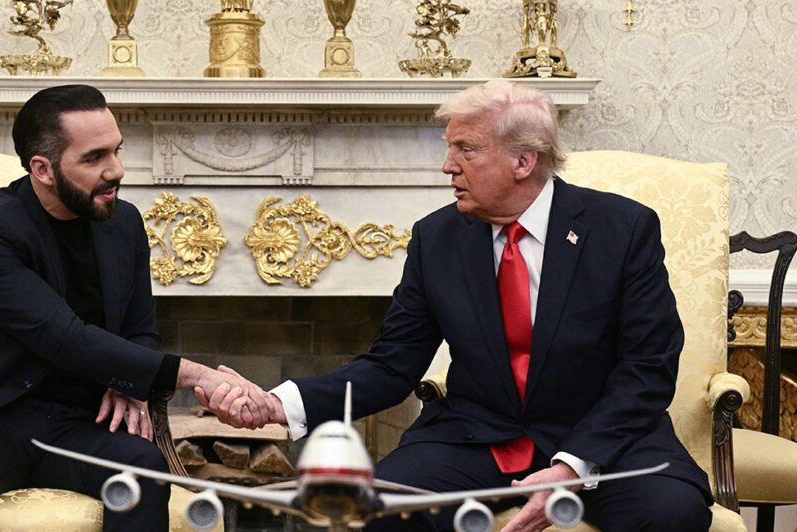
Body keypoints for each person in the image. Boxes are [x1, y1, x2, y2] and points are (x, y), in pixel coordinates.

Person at [201, 80, 713, 531]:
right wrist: (277, 404)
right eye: (450, 149)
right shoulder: (437, 238)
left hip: (601, 437)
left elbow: (647, 368)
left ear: (523, 160)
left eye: (465, 150)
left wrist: (572, 466)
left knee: (671, 513)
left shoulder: (621, 229)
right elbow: (391, 365)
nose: (448, 165)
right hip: (476, 436)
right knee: (384, 505)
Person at [0, 84, 269, 532]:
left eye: (116, 151)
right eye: (94, 158)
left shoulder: (124, 223)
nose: (116, 170)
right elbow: (65, 339)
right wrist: (200, 376)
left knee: (143, 466)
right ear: (43, 169)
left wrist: (128, 383)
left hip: (82, 423)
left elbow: (140, 329)